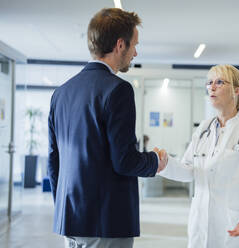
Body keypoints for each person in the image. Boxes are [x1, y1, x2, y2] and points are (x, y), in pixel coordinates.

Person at [47, 8, 167, 248]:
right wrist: (155, 161)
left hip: (69, 220)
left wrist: (64, 208)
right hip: (105, 223)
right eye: (134, 45)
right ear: (120, 45)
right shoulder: (118, 90)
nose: (136, 52)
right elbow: (124, 160)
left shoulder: (61, 93)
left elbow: (54, 161)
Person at [158, 64, 239, 248]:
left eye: (219, 82)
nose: (212, 87)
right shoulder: (204, 129)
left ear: (237, 90)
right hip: (200, 222)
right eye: (209, 83)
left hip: (232, 222)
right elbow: (189, 170)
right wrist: (165, 164)